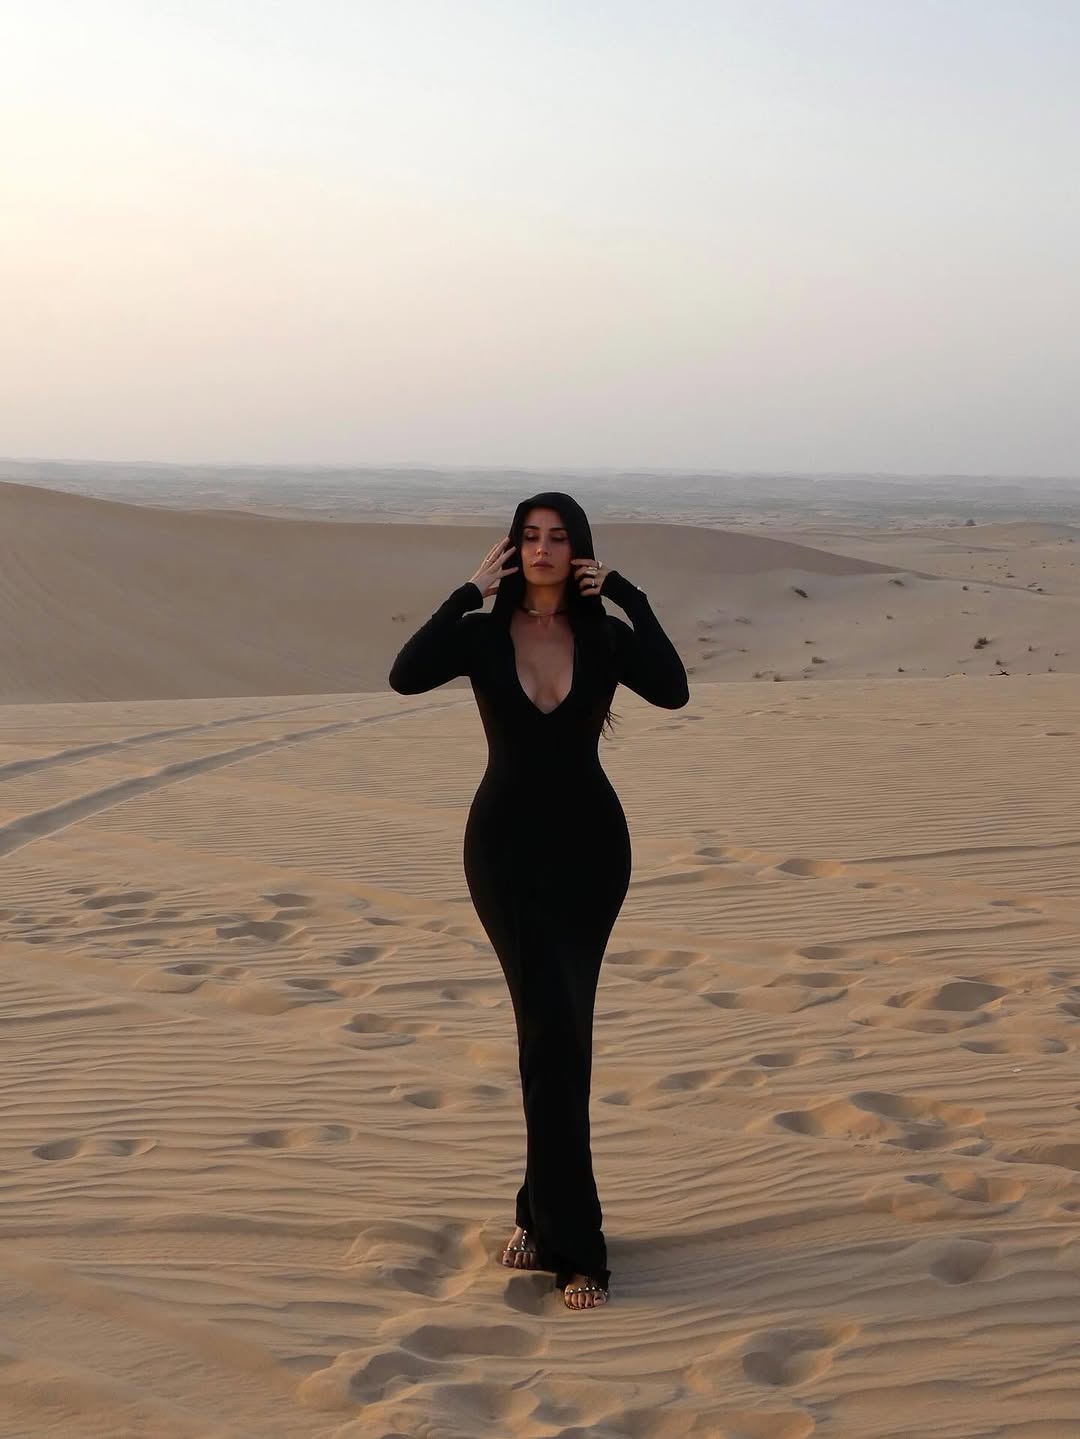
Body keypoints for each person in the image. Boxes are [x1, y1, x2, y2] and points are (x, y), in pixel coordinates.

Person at [388, 491, 689, 1310]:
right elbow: (405, 674)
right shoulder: (482, 636)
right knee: (547, 1035)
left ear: (578, 549)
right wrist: (466, 592)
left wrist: (627, 593)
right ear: (512, 549)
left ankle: (537, 1213)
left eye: (558, 537)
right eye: (530, 536)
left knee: (562, 1036)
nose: (543, 548)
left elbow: (673, 689)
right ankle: (577, 1244)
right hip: (506, 855)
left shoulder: (604, 638)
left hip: (592, 854)